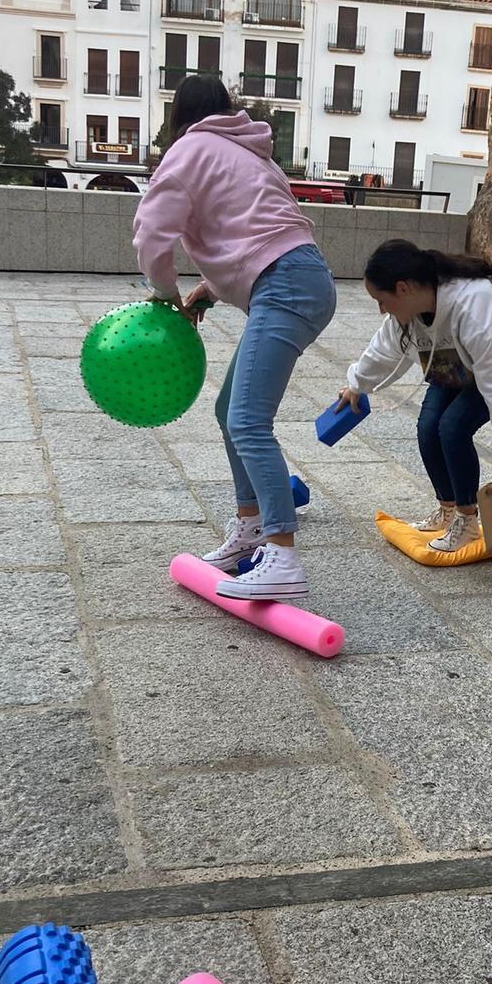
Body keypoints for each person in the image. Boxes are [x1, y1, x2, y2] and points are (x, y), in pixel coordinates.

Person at [133, 75, 336, 601]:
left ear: (178, 116)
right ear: (226, 108)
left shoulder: (189, 150)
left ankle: (282, 555)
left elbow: (151, 232)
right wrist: (208, 288)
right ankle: (250, 529)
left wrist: (163, 293)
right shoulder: (248, 152)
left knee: (248, 420)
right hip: (299, 277)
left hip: (286, 285)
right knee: (230, 411)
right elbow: (254, 232)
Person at [338, 240, 492, 552]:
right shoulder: (407, 313)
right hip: (454, 360)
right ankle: (448, 509)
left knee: (453, 428)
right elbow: (383, 348)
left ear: (403, 288)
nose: (382, 309)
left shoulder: (478, 304)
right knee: (428, 426)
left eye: (381, 300)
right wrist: (356, 384)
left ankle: (466, 520)